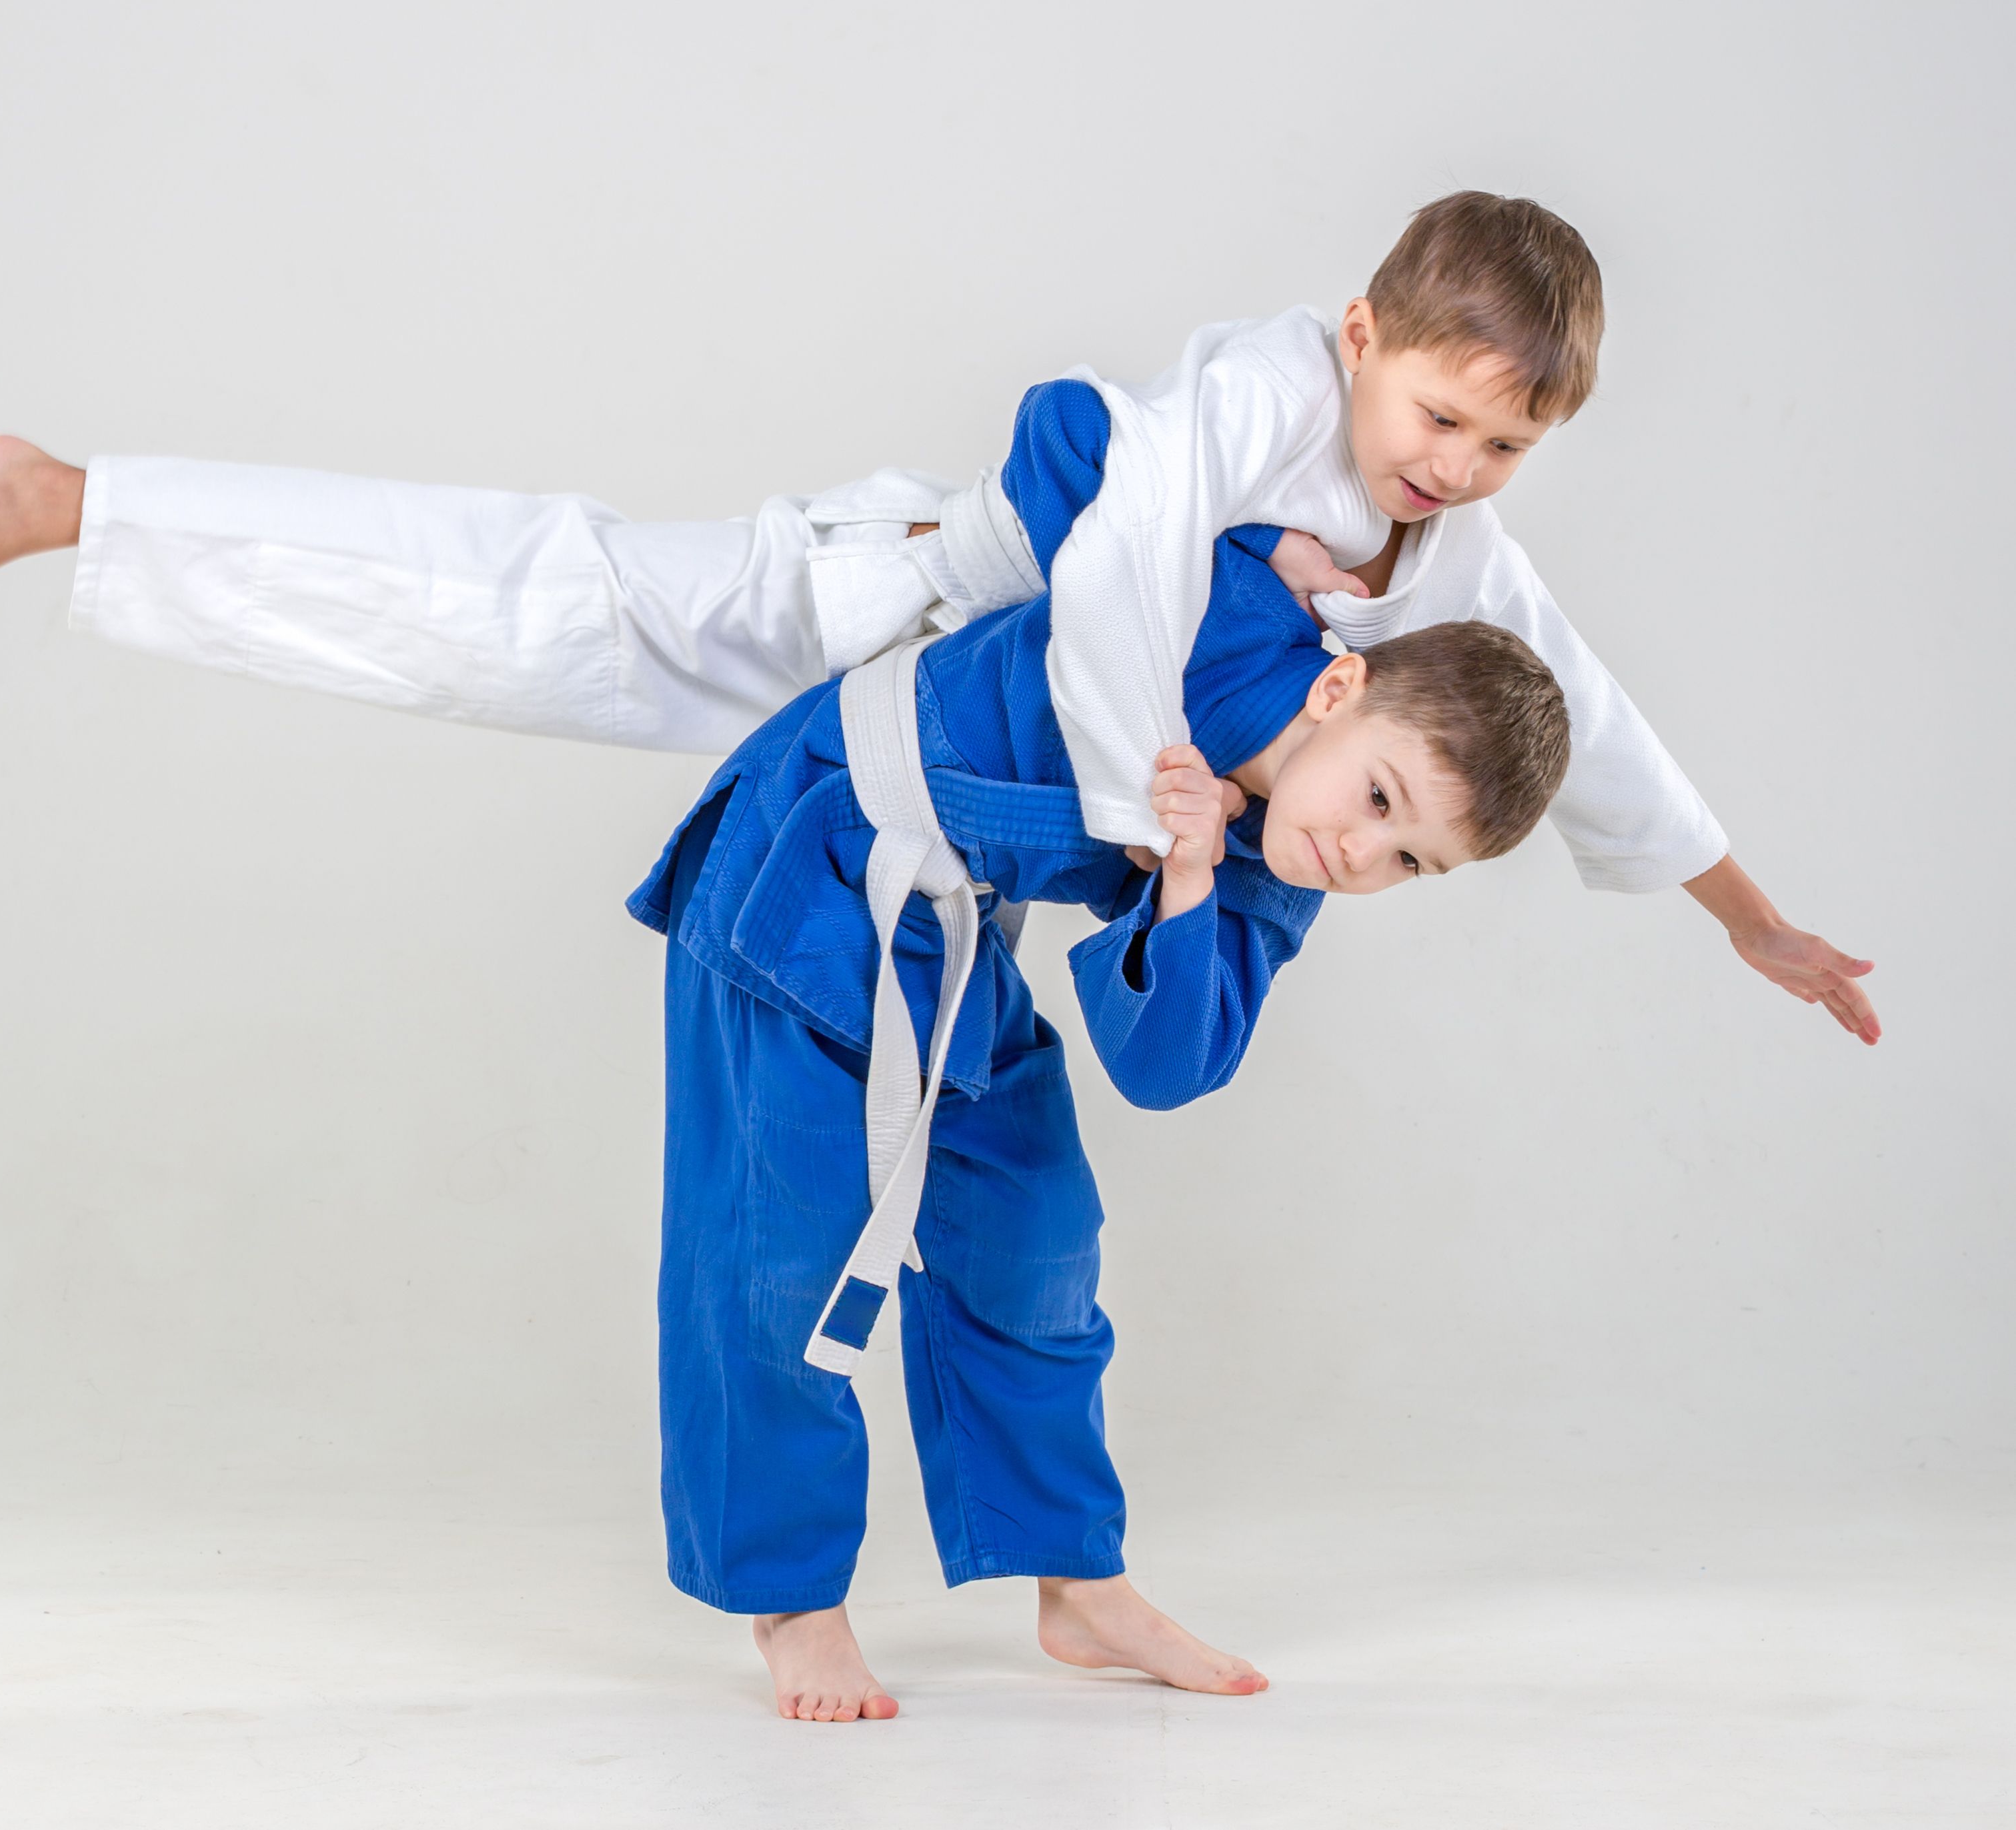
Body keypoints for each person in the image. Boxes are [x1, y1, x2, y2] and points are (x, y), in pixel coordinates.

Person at [0, 192, 1879, 1042]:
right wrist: (1150, 798)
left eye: (1501, 453)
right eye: (1436, 416)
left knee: (526, 635)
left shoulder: (1445, 560)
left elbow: (1582, 716)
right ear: (1363, 337)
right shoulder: (1263, 393)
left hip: (932, 725)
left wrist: (1743, 915)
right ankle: (68, 501)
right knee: (539, 602)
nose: (1450, 469)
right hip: (886, 595)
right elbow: (1113, 567)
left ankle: (83, 510)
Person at [629, 374, 1570, 1718]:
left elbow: (1170, 1062)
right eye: (1378, 795)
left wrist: (1190, 874)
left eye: (1406, 859)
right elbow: (1070, 429)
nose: (1360, 849)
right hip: (805, 859)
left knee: (1036, 1229)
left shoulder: (1275, 866)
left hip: (950, 935)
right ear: (1341, 681)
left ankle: (1074, 1578)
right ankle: (793, 1598)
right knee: (775, 1246)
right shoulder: (1231, 609)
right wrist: (1254, 534)